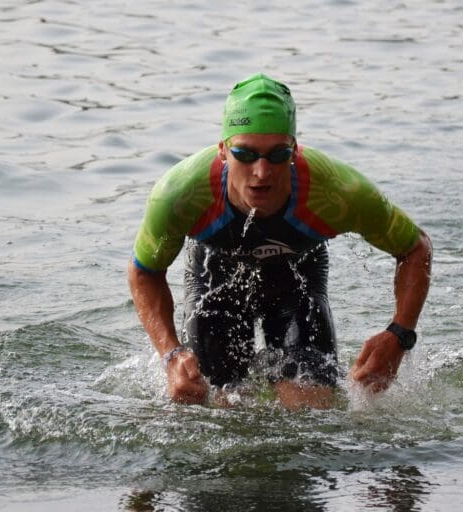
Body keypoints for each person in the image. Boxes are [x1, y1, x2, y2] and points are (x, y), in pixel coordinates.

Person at [127, 73, 432, 409]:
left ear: (294, 151)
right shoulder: (182, 195)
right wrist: (171, 354)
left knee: (310, 411)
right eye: (245, 154)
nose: (261, 171)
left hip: (297, 278)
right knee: (205, 403)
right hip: (214, 276)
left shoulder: (336, 192)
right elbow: (145, 270)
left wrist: (399, 336)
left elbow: (415, 247)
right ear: (223, 152)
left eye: (276, 155)